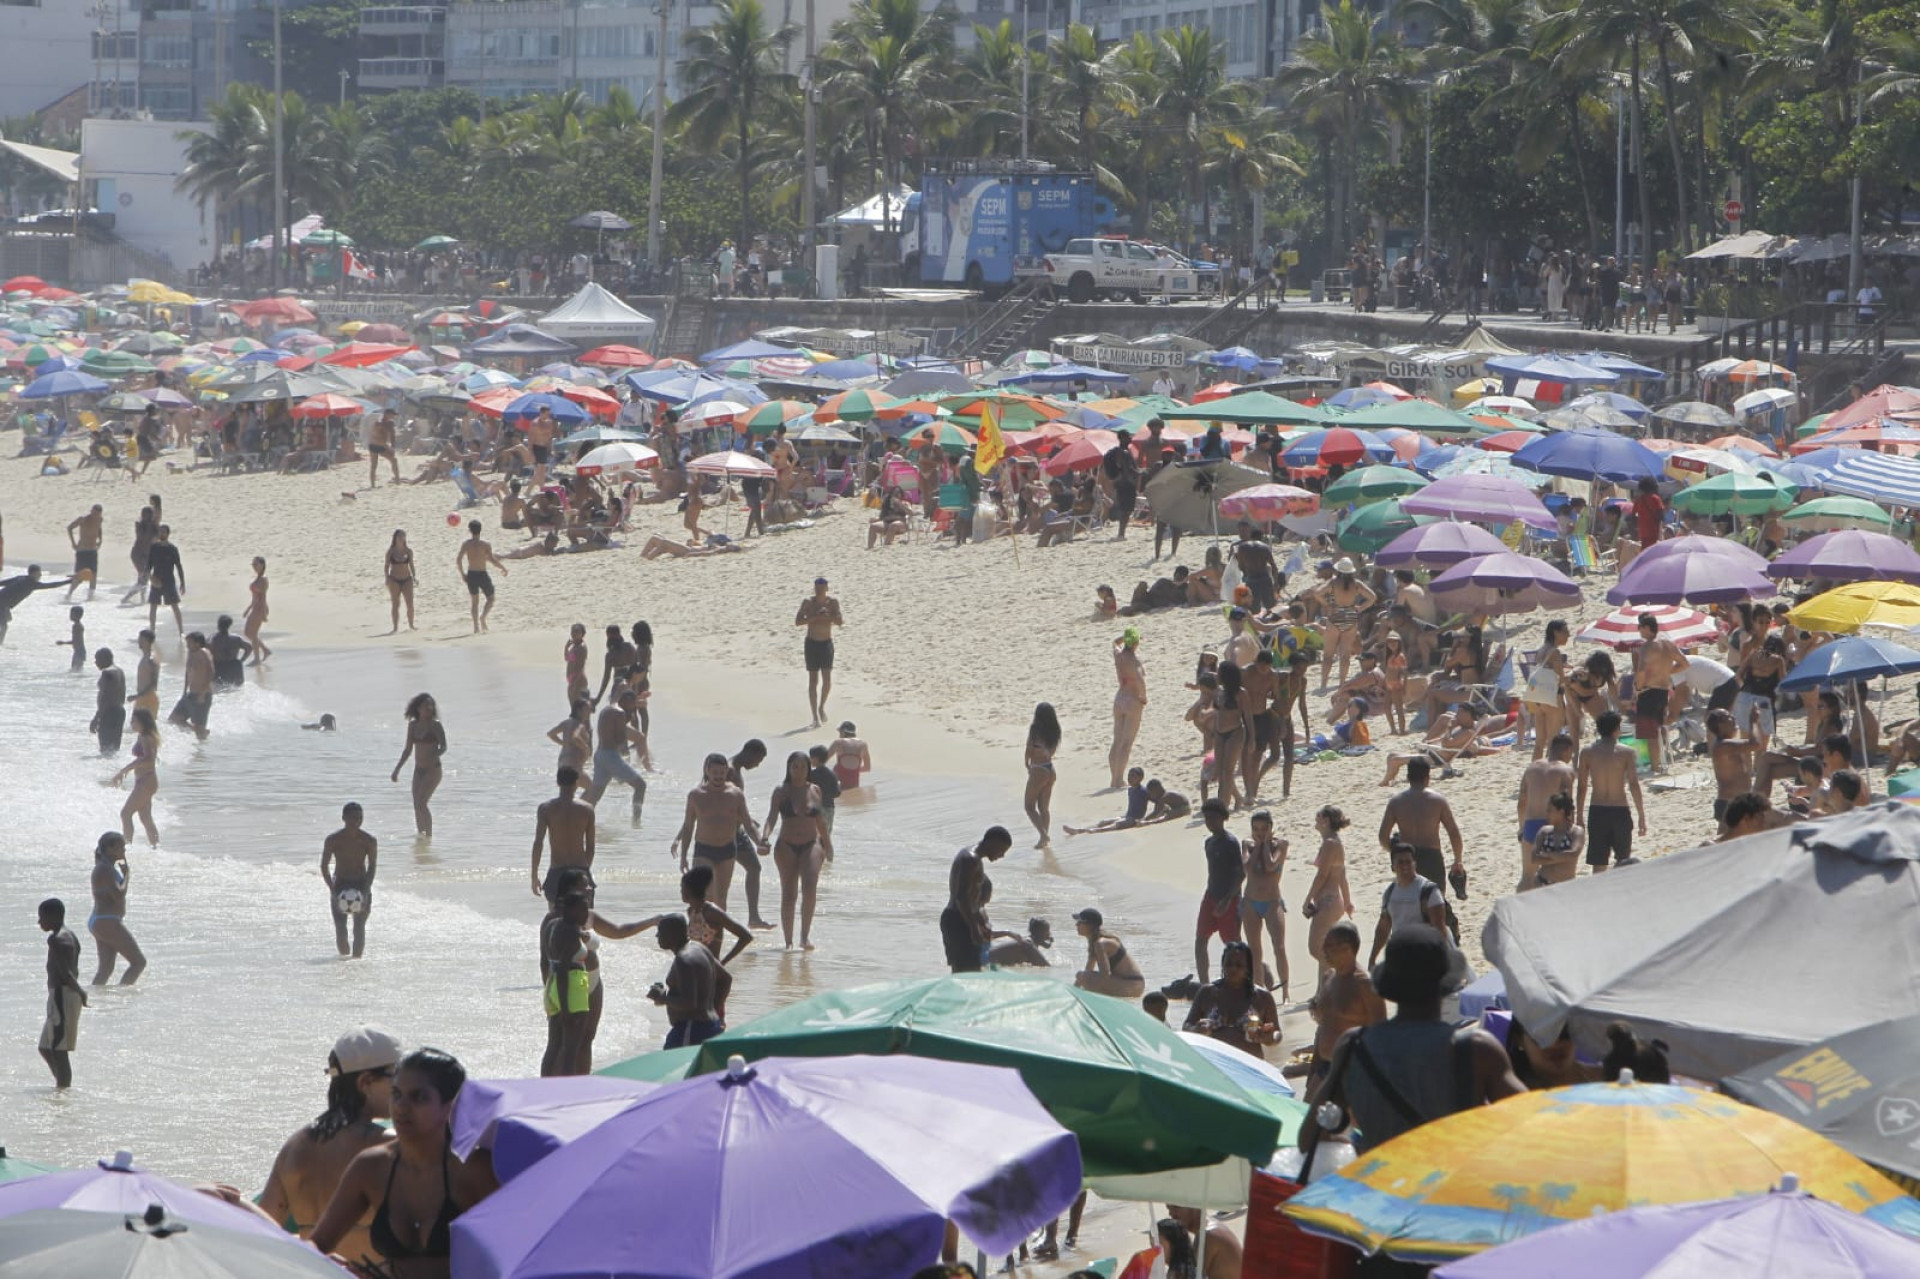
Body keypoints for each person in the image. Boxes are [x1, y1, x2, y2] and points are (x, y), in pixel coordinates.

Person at [1300, 925, 1524, 1160]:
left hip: (1385, 1186)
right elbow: (1536, 1119)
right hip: (1452, 1186)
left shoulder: (1353, 1047)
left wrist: (1355, 1145)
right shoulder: (1477, 1049)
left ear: (1389, 985)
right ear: (1446, 982)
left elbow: (1309, 1138)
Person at [309, 1048, 494, 1277]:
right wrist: (324, 1262)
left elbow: (517, 1249)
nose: (401, 1107)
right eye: (396, 1094)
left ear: (450, 1106)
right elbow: (317, 1244)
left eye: (419, 1097)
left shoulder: (474, 1169)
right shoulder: (371, 1167)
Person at [260, 1027, 402, 1255]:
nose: (403, 1087)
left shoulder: (295, 1146)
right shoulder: (387, 1147)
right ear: (365, 1082)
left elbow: (263, 1225)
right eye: (397, 1074)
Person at [543, 886, 655, 1075]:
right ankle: (570, 1090)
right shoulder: (570, 931)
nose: (587, 913)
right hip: (572, 990)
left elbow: (554, 962)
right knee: (571, 1048)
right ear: (571, 909)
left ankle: (545, 1087)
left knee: (554, 1044)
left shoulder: (555, 925)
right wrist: (566, 1008)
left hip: (556, 988)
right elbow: (563, 970)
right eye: (583, 909)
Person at [1378, 756, 1464, 943]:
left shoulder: (1396, 801)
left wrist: (1394, 852)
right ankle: (1446, 936)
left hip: (1408, 857)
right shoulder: (1438, 800)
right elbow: (1454, 833)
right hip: (1432, 856)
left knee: (1411, 902)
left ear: (1408, 777)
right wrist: (1457, 860)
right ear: (1428, 777)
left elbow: (1383, 836)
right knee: (1435, 902)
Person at [671, 752, 765, 915]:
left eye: (722, 773)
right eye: (715, 773)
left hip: (727, 851)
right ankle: (698, 932)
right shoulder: (696, 795)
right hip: (703, 850)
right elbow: (688, 826)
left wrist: (759, 843)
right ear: (707, 771)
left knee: (721, 897)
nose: (718, 777)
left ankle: (717, 935)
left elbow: (748, 824)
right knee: (704, 895)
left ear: (726, 772)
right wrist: (684, 856)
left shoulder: (735, 794)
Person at [764, 750, 833, 950]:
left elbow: (820, 820)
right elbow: (772, 817)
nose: (799, 770)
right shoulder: (781, 791)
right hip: (786, 845)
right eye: (795, 766)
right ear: (789, 768)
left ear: (808, 768)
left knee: (810, 888)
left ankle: (804, 937)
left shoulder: (815, 790)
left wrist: (828, 844)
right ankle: (788, 942)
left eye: (803, 766)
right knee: (789, 894)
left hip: (811, 844)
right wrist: (764, 837)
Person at [1306, 920, 1386, 1087]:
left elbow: (1380, 1035)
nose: (1323, 950)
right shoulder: (1328, 978)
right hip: (1324, 1067)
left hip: (1355, 1069)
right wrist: (1313, 1070)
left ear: (1346, 948)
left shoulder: (1366, 985)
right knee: (1308, 1112)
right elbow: (1323, 1027)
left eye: (1329, 946)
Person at [1576, 710, 1646, 872]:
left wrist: (1579, 815)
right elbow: (1634, 785)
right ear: (1617, 729)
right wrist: (1641, 815)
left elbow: (1582, 787)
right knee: (1623, 861)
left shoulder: (1587, 752)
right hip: (1619, 809)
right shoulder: (1626, 752)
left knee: (1598, 862)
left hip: (1597, 810)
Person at [649, 914, 733, 1048]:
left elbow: (689, 1002)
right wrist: (714, 1009)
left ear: (673, 934)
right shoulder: (700, 948)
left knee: (674, 1067)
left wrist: (662, 997)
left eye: (661, 932)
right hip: (710, 1025)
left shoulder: (684, 960)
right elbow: (726, 979)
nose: (657, 936)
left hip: (691, 1031)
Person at [1184, 940, 1278, 1058]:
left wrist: (1268, 1038)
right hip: (1214, 1063)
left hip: (1250, 1066)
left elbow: (1277, 1034)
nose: (1233, 968)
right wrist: (1196, 1029)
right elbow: (1187, 1025)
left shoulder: (1262, 997)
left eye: (1239, 965)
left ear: (1248, 968)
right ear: (1222, 965)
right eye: (1229, 964)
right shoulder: (1207, 992)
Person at [943, 826, 1012, 972]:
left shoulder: (973, 858)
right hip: (958, 920)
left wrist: (980, 923)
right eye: (1002, 850)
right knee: (965, 972)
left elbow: (971, 899)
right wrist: (974, 929)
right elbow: (961, 898)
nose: (1002, 855)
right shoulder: (970, 859)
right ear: (993, 842)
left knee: (972, 970)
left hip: (962, 918)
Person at [1515, 733, 1576, 889]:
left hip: (1531, 824)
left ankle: (1520, 911)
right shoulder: (1565, 770)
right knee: (1560, 876)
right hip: (1552, 826)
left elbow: (1522, 801)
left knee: (1527, 877)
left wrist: (1522, 828)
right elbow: (1567, 804)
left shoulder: (1532, 767)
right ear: (1567, 750)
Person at [37, 898, 87, 1089]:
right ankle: (61, 1087)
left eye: (42, 917)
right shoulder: (71, 936)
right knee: (45, 1047)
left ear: (55, 916)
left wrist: (80, 992)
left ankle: (63, 1090)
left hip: (62, 995)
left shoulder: (56, 940)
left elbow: (66, 973)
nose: (39, 922)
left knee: (58, 1050)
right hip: (62, 995)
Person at [1239, 810, 1289, 999]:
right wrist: (1258, 845)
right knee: (1254, 949)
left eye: (1264, 828)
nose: (1259, 832)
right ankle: (1258, 990)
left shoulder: (1281, 845)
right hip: (1251, 902)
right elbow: (1248, 867)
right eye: (1256, 829)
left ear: (1271, 827)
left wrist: (1265, 844)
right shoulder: (1247, 845)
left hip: (1271, 902)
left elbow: (1270, 866)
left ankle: (1285, 992)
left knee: (1279, 947)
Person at [1194, 797, 1243, 983]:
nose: (1210, 823)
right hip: (1211, 895)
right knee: (1200, 940)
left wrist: (1227, 900)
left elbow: (1240, 875)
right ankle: (1204, 984)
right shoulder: (1209, 843)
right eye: (1207, 819)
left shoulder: (1230, 842)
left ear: (1223, 818)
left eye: (1213, 818)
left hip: (1229, 899)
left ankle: (1253, 976)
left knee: (1234, 946)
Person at [322, 803, 379, 959]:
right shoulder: (333, 840)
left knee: (359, 927)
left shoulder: (369, 840)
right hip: (340, 884)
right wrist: (332, 888)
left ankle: (356, 964)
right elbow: (324, 865)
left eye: (360, 818)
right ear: (343, 818)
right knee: (341, 929)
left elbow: (372, 866)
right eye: (353, 818)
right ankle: (343, 963)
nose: (356, 821)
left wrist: (366, 890)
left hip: (360, 884)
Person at [87, 831, 144, 985]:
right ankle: (123, 999)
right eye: (121, 848)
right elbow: (118, 894)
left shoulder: (105, 867)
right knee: (138, 962)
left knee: (105, 970)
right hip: (107, 922)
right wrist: (126, 875)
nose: (124, 851)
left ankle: (101, 1003)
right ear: (110, 849)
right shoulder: (105, 869)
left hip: (102, 922)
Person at [1632, 612, 1685, 772]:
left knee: (1650, 733)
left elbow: (1640, 672)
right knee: (1659, 727)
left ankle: (1655, 766)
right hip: (1663, 690)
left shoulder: (1647, 647)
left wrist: (1638, 689)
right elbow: (1684, 663)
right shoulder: (1668, 644)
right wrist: (1667, 672)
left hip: (1649, 691)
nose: (1638, 630)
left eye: (1640, 627)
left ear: (1647, 628)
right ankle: (1661, 762)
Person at [586, 688, 649, 819]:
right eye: (632, 707)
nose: (632, 711)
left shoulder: (607, 710)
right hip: (610, 756)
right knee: (640, 785)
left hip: (600, 755)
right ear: (626, 701)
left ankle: (578, 815)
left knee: (595, 795)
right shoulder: (620, 713)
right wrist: (631, 750)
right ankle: (636, 822)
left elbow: (611, 732)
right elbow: (620, 740)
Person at [1303, 805, 1354, 965]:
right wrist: (1347, 901)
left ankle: (1342, 974)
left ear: (1325, 820)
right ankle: (1324, 989)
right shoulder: (1334, 842)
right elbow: (1342, 875)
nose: (1315, 820)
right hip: (1332, 902)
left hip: (1328, 902)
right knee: (1326, 950)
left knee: (1316, 949)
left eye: (1318, 817)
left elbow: (1322, 875)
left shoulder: (1330, 844)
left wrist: (1307, 899)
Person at [391, 693, 447, 838]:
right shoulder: (413, 725)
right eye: (425, 705)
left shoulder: (435, 725)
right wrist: (397, 769)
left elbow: (444, 746)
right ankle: (421, 837)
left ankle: (429, 837)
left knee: (422, 803)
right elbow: (408, 750)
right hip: (419, 770)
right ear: (418, 708)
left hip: (432, 770)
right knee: (416, 805)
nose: (428, 708)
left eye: (431, 705)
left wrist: (435, 755)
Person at [795, 576, 843, 727]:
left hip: (826, 643)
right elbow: (798, 622)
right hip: (811, 643)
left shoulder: (832, 602)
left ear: (827, 588)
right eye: (817, 588)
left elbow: (840, 622)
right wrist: (815, 617)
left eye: (822, 588)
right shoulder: (808, 602)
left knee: (827, 679)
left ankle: (822, 706)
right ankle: (814, 715)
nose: (819, 590)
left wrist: (828, 615)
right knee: (813, 680)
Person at [1069, 907, 1145, 997]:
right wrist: (1074, 991)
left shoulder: (1100, 944)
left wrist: (1087, 987)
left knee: (1083, 976)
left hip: (1131, 985)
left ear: (1090, 925)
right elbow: (1089, 970)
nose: (1076, 925)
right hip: (1132, 984)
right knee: (1083, 976)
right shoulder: (1095, 943)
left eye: (1080, 922)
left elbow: (1105, 975)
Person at [113, 709, 162, 847]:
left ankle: (126, 847)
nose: (131, 723)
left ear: (142, 722)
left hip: (147, 780)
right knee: (145, 817)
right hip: (145, 780)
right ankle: (155, 847)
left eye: (134, 721)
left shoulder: (147, 737)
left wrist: (125, 769)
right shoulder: (142, 736)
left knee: (125, 813)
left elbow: (149, 759)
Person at [1108, 628, 1149, 789]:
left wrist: (1124, 637)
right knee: (1126, 743)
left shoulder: (1118, 655)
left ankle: (1114, 778)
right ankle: (1119, 780)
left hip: (1120, 697)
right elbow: (1140, 679)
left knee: (1117, 740)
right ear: (1136, 643)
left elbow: (1114, 642)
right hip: (1132, 699)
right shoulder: (1134, 660)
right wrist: (1143, 696)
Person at [455, 520, 507, 634]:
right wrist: (502, 568)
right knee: (491, 598)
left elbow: (458, 560)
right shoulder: (485, 544)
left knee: (474, 602)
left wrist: (463, 574)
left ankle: (476, 627)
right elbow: (492, 560)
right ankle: (483, 617)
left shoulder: (466, 544)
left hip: (471, 574)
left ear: (470, 530)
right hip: (482, 574)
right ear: (481, 530)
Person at [0, 564, 73, 646]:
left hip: (4, 604)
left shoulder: (20, 577)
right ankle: (0, 644)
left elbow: (1, 583)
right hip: (2, 605)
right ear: (33, 573)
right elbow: (51, 585)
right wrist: (68, 581)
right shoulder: (31, 584)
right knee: (4, 626)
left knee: (7, 620)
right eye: (39, 573)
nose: (40, 575)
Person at [1526, 791, 1586, 887]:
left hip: (1565, 885)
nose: (1547, 813)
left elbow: (1574, 853)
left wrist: (1547, 855)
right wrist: (1560, 857)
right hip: (1542, 882)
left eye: (1550, 810)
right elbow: (1534, 858)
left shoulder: (1576, 831)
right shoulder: (1544, 831)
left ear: (1561, 812)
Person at [1166, 1205, 1243, 1279]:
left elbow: (1186, 1276)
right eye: (1168, 1208)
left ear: (1195, 1205)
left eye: (1176, 1207)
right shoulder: (1212, 1230)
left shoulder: (1207, 1235)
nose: (1171, 1213)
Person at [1024, 702, 1061, 847]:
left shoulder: (1035, 729)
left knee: (1029, 806)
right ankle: (1043, 839)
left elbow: (1029, 749)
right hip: (1050, 769)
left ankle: (1044, 835)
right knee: (1044, 808)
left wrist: (1026, 763)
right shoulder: (1055, 731)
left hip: (1038, 769)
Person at [168, 631, 214, 741]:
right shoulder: (190, 653)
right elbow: (187, 672)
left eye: (189, 642)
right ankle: (200, 730)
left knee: (199, 730)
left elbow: (211, 672)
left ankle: (202, 754)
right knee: (174, 719)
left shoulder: (204, 653)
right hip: (191, 693)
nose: (187, 645)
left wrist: (203, 694)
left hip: (203, 694)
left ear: (197, 643)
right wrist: (184, 691)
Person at [145, 525, 186, 636]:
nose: (161, 534)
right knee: (153, 606)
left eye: (163, 532)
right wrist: (151, 579)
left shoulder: (172, 549)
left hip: (169, 581)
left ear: (168, 534)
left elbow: (178, 566)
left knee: (175, 606)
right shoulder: (154, 548)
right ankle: (152, 630)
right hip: (156, 580)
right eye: (160, 532)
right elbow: (148, 566)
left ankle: (181, 631)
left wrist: (182, 583)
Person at [1102, 430, 1140, 539]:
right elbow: (1125, 468)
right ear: (1122, 438)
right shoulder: (1123, 452)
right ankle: (1121, 533)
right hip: (1126, 483)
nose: (1130, 438)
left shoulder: (1124, 451)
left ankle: (1122, 533)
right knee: (1126, 509)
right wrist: (1137, 474)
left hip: (1123, 483)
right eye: (1128, 437)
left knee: (1127, 509)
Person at [90, 648, 126, 756]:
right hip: (119, 711)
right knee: (113, 749)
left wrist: (96, 718)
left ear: (105, 658)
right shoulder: (119, 670)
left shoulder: (107, 673)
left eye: (97, 659)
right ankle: (114, 769)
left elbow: (106, 697)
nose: (96, 662)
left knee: (105, 749)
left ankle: (106, 770)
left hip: (109, 713)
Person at [65, 503, 103, 600]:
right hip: (82, 550)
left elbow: (99, 529)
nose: (95, 516)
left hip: (93, 550)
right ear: (91, 511)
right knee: (80, 575)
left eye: (97, 514)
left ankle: (90, 597)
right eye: (93, 513)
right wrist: (73, 543)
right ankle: (69, 595)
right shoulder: (83, 519)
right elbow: (69, 528)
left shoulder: (99, 519)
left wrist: (100, 540)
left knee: (93, 574)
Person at [383, 530, 417, 633]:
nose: (401, 538)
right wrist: (387, 577)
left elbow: (411, 565)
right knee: (395, 604)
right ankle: (395, 627)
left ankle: (411, 625)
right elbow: (386, 566)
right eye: (399, 536)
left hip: (407, 579)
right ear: (395, 538)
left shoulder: (408, 551)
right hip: (394, 580)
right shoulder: (391, 552)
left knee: (410, 603)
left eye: (403, 536)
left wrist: (414, 576)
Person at [208, 615, 253, 690]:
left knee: (218, 690)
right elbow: (249, 648)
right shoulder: (236, 638)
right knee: (237, 689)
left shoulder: (213, 638)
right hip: (234, 665)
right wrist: (242, 660)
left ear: (218, 625)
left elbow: (207, 646)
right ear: (230, 625)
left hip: (219, 666)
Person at [243, 557, 272, 664]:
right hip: (255, 607)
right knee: (248, 632)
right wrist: (248, 608)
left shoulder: (263, 579)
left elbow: (263, 596)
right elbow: (254, 597)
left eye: (256, 565)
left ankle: (257, 658)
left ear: (262, 565)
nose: (254, 567)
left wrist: (264, 612)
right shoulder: (257, 578)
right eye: (253, 565)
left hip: (260, 608)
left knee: (252, 633)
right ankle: (265, 650)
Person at [828, 720, 870, 792]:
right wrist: (852, 771)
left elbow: (821, 761)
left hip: (838, 787)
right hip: (855, 787)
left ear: (843, 732)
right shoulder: (863, 744)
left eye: (840, 732)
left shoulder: (838, 743)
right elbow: (867, 768)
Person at [367, 409, 402, 487]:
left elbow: (393, 436)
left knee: (394, 460)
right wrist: (387, 447)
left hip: (383, 445)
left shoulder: (390, 423)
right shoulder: (378, 423)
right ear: (387, 414)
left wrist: (393, 447)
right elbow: (376, 437)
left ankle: (397, 480)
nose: (393, 416)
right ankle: (372, 485)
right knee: (374, 464)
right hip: (375, 445)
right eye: (392, 414)